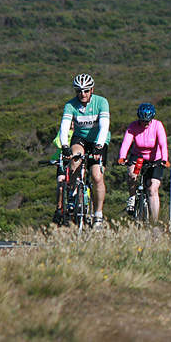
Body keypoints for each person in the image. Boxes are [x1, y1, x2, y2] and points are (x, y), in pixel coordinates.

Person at [59, 73, 110, 227]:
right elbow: (64, 127)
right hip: (80, 139)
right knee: (74, 159)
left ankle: (98, 214)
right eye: (79, 91)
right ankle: (73, 195)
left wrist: (99, 146)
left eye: (86, 91)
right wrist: (65, 146)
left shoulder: (101, 102)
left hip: (98, 140)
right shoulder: (70, 105)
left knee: (96, 176)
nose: (83, 94)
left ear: (92, 90)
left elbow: (104, 126)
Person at [118, 102, 169, 223]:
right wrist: (122, 157)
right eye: (143, 121)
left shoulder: (157, 125)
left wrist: (164, 159)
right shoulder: (133, 126)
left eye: (148, 121)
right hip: (138, 158)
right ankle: (132, 197)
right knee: (132, 175)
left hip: (155, 159)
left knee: (153, 188)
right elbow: (126, 143)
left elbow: (163, 143)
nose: (145, 124)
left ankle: (155, 221)